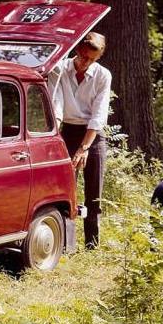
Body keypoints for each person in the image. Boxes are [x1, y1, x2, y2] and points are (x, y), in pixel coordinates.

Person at [52, 32, 111, 249]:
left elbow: (99, 114)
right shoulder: (60, 68)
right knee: (66, 189)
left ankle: (92, 244)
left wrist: (85, 147)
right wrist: (54, 133)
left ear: (98, 58)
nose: (84, 62)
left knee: (94, 192)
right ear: (78, 49)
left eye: (91, 60)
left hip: (93, 136)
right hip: (66, 131)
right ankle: (66, 243)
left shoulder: (103, 75)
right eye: (83, 56)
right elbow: (55, 102)